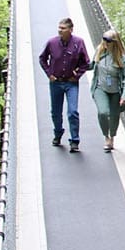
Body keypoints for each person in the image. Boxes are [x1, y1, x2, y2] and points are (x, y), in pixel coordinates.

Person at [38, 18, 89, 152]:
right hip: (56, 83)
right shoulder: (52, 42)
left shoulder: (79, 43)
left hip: (71, 83)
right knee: (55, 112)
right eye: (59, 27)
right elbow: (42, 59)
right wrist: (49, 74)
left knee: (73, 112)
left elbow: (86, 63)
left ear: (71, 30)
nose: (60, 30)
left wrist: (77, 75)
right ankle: (58, 133)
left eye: (63, 28)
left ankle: (74, 141)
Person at [88, 29, 125, 153]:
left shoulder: (122, 59)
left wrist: (124, 96)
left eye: (108, 40)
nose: (105, 42)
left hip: (115, 91)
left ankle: (112, 136)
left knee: (114, 116)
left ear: (115, 42)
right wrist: (77, 63)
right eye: (104, 39)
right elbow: (91, 65)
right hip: (100, 88)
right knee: (103, 112)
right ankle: (106, 137)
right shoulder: (100, 51)